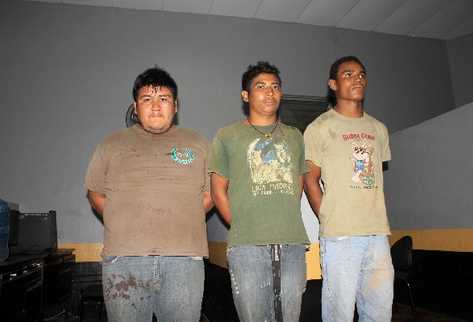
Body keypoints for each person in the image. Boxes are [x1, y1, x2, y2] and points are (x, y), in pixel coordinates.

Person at [85, 67, 212, 322]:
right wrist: (119, 219)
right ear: (135, 106)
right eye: (147, 99)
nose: (155, 106)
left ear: (175, 106)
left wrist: (184, 216)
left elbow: (211, 194)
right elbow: (95, 192)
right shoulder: (110, 144)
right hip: (124, 263)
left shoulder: (199, 144)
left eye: (163, 99)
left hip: (184, 263)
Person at [209, 61, 310, 322]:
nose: (270, 92)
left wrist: (281, 216)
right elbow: (218, 188)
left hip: (292, 242)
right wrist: (241, 223)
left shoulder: (295, 136)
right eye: (261, 86)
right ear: (246, 95)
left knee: (290, 316)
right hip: (246, 245)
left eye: (275, 86)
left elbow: (297, 183)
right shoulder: (227, 135)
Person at [304, 56, 394, 322]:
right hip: (340, 236)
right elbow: (310, 180)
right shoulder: (319, 128)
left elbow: (375, 179)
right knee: (339, 314)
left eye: (362, 74)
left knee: (379, 312)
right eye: (348, 74)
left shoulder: (379, 129)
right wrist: (329, 218)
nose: (358, 78)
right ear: (333, 84)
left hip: (378, 234)